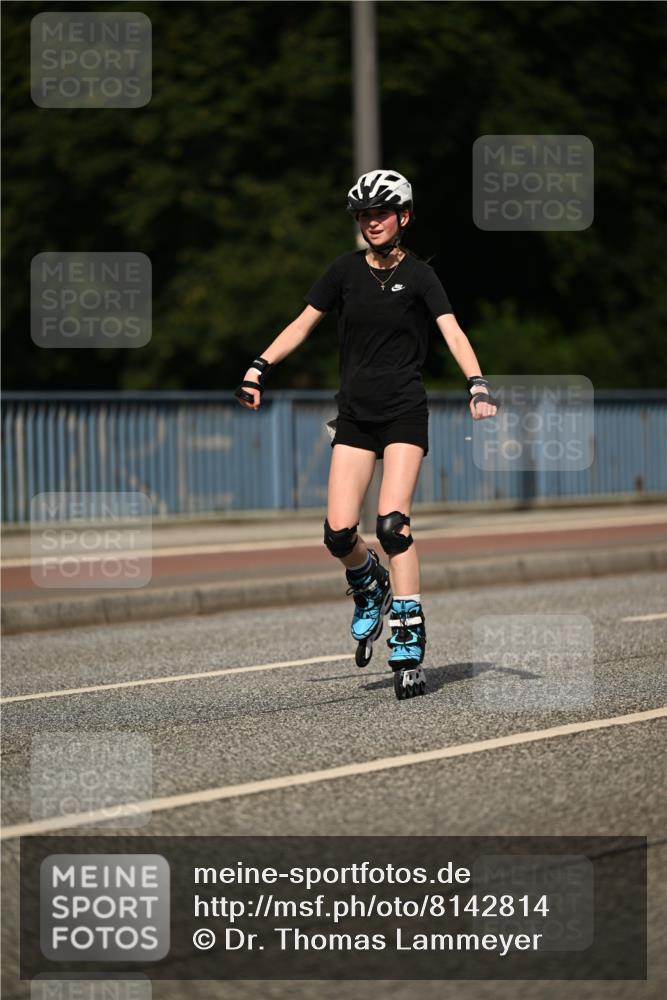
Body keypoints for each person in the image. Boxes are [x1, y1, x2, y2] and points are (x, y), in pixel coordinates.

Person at [235, 169, 497, 699]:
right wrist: (258, 366)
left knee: (394, 525)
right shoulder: (343, 272)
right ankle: (367, 582)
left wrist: (477, 384)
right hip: (355, 417)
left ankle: (407, 642)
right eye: (364, 214)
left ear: (403, 217)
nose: (371, 221)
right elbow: (302, 323)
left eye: (381, 212)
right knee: (338, 535)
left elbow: (453, 331)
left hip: (403, 413)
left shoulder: (421, 276)